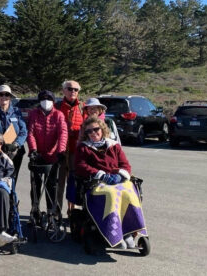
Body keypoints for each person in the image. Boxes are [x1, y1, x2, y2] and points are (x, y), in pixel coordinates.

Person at [75, 117, 147, 249]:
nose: (93, 133)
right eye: (89, 131)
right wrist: (101, 174)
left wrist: (120, 175)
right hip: (97, 182)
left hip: (117, 179)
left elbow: (125, 164)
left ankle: (128, 232)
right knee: (112, 195)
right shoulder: (83, 148)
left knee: (129, 193)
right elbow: (80, 165)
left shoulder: (114, 145)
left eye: (96, 129)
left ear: (102, 129)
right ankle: (114, 234)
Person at [26, 90, 68, 219]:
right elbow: (30, 133)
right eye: (43, 99)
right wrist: (33, 150)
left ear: (53, 101)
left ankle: (52, 211)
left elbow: (63, 133)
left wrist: (61, 151)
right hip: (37, 156)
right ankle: (35, 210)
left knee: (51, 186)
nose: (46, 101)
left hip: (53, 156)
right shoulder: (33, 114)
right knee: (35, 185)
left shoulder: (59, 115)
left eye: (49, 98)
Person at [55, 80, 84, 214]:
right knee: (59, 184)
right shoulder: (57, 106)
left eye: (76, 89)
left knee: (74, 183)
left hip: (75, 152)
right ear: (63, 91)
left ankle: (72, 212)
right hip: (60, 151)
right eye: (70, 89)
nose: (73, 92)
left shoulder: (82, 108)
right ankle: (57, 211)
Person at [0, 84, 27, 182]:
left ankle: (11, 197)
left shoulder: (17, 112)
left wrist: (16, 144)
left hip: (15, 151)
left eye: (6, 94)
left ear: (10, 97)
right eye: (1, 94)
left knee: (12, 179)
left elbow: (23, 131)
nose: (4, 97)